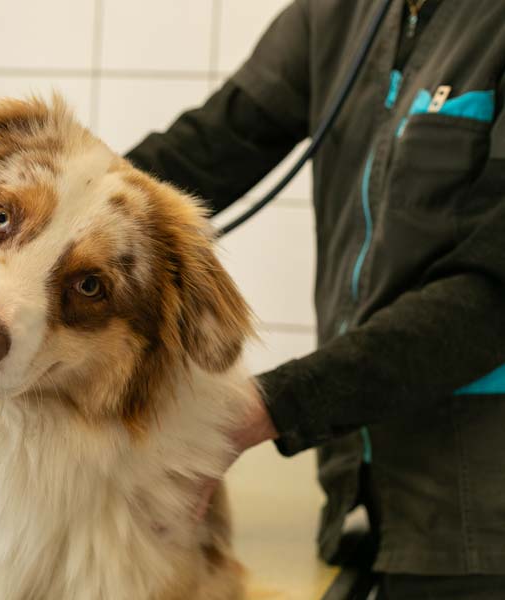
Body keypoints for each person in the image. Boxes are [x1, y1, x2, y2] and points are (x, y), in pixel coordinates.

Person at [128, 0, 505, 597]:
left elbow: (489, 300)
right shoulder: (340, 15)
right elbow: (210, 145)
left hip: (482, 511)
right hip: (362, 499)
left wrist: (268, 406)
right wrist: (64, 208)